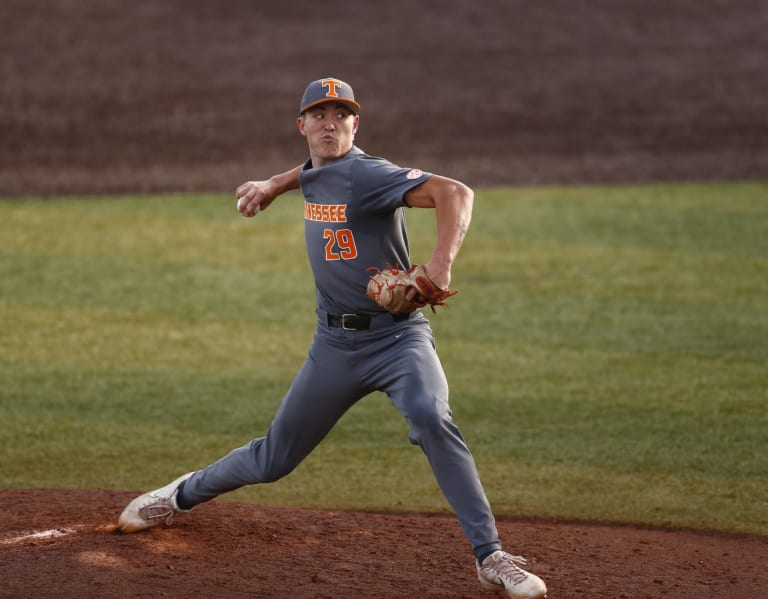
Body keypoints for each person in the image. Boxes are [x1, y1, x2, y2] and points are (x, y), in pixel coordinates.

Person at [118, 77, 547, 599]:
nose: (329, 123)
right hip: (334, 348)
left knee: (432, 417)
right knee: (274, 459)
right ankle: (179, 494)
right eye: (318, 114)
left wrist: (440, 265)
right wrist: (272, 186)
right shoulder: (317, 172)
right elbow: (310, 174)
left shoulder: (366, 173)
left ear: (354, 125)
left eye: (340, 115)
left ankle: (491, 556)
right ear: (301, 126)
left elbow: (455, 192)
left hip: (398, 342)